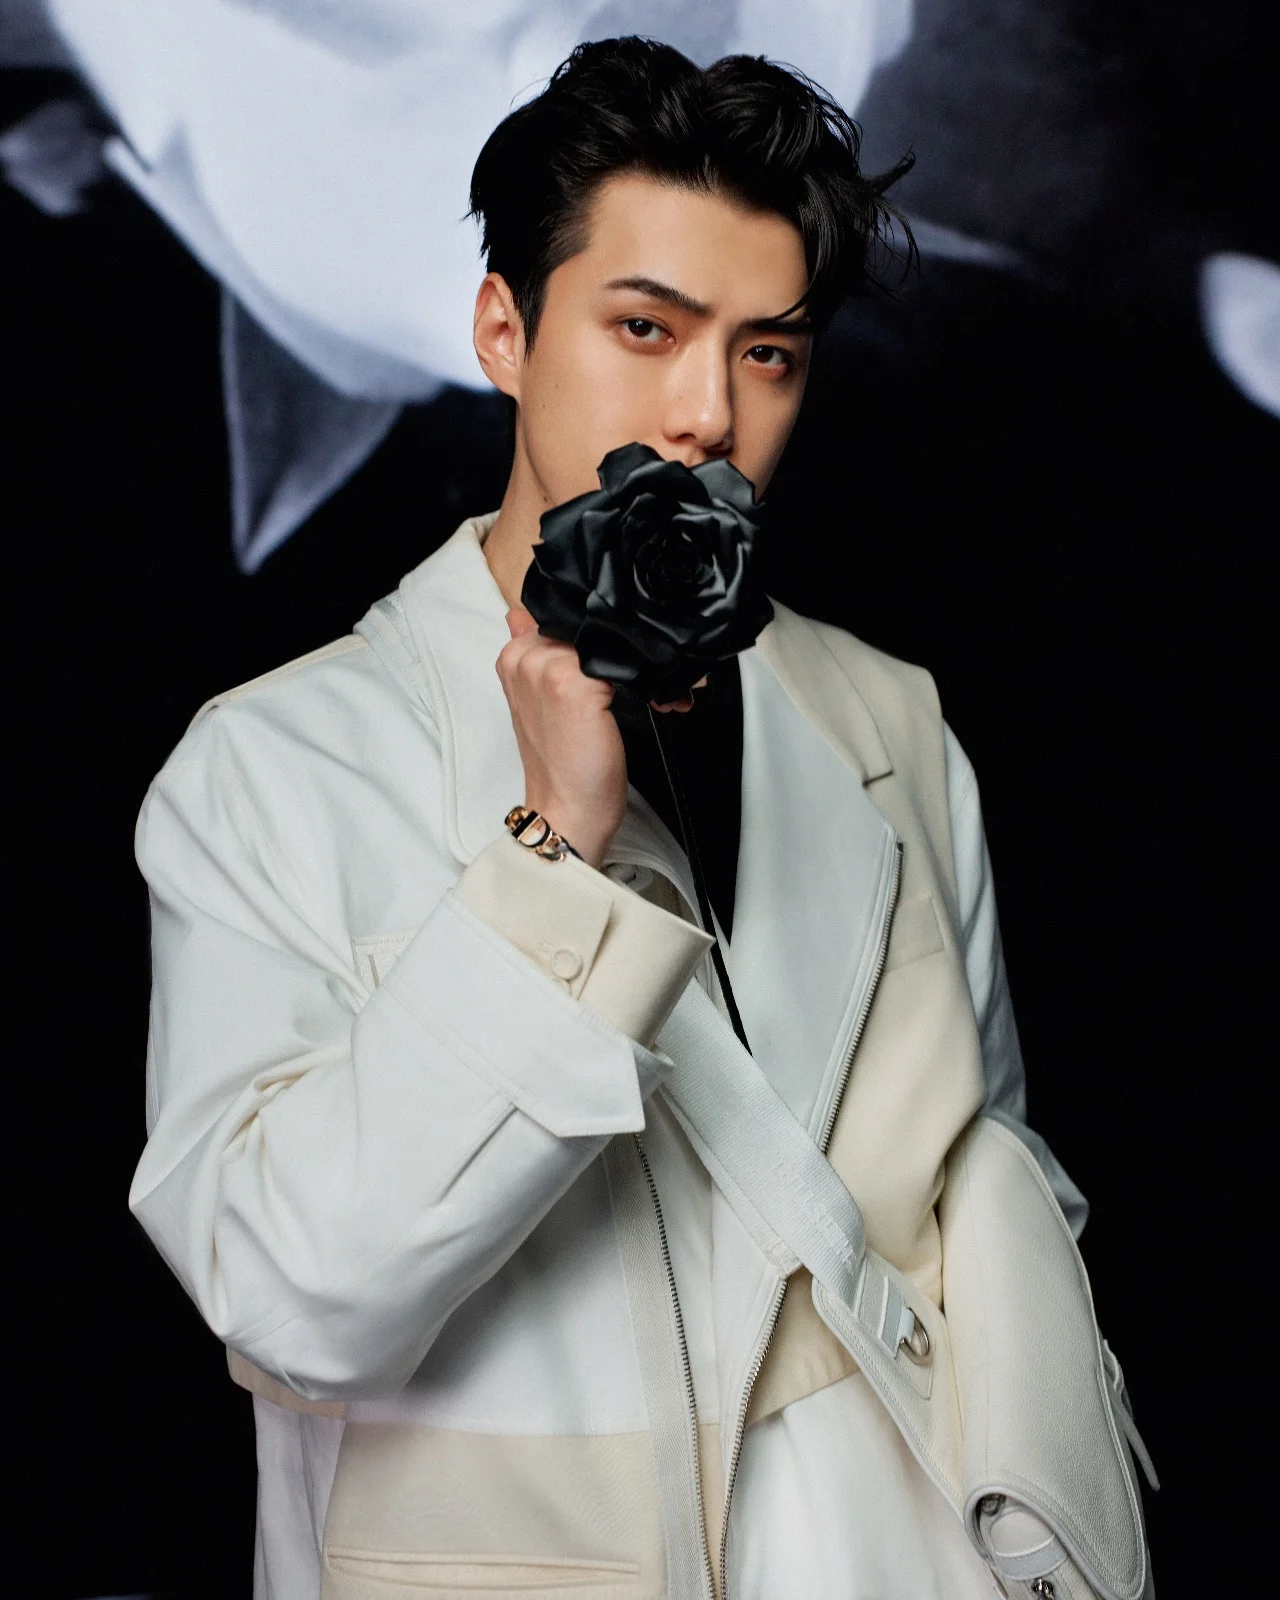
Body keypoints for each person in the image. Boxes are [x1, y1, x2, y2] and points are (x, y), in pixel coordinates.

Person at [132, 38, 1149, 1600]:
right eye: (644, 328)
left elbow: (995, 1177)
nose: (703, 413)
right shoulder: (270, 771)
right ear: (504, 331)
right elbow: (289, 1302)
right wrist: (553, 855)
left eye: (769, 354)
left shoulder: (890, 722)